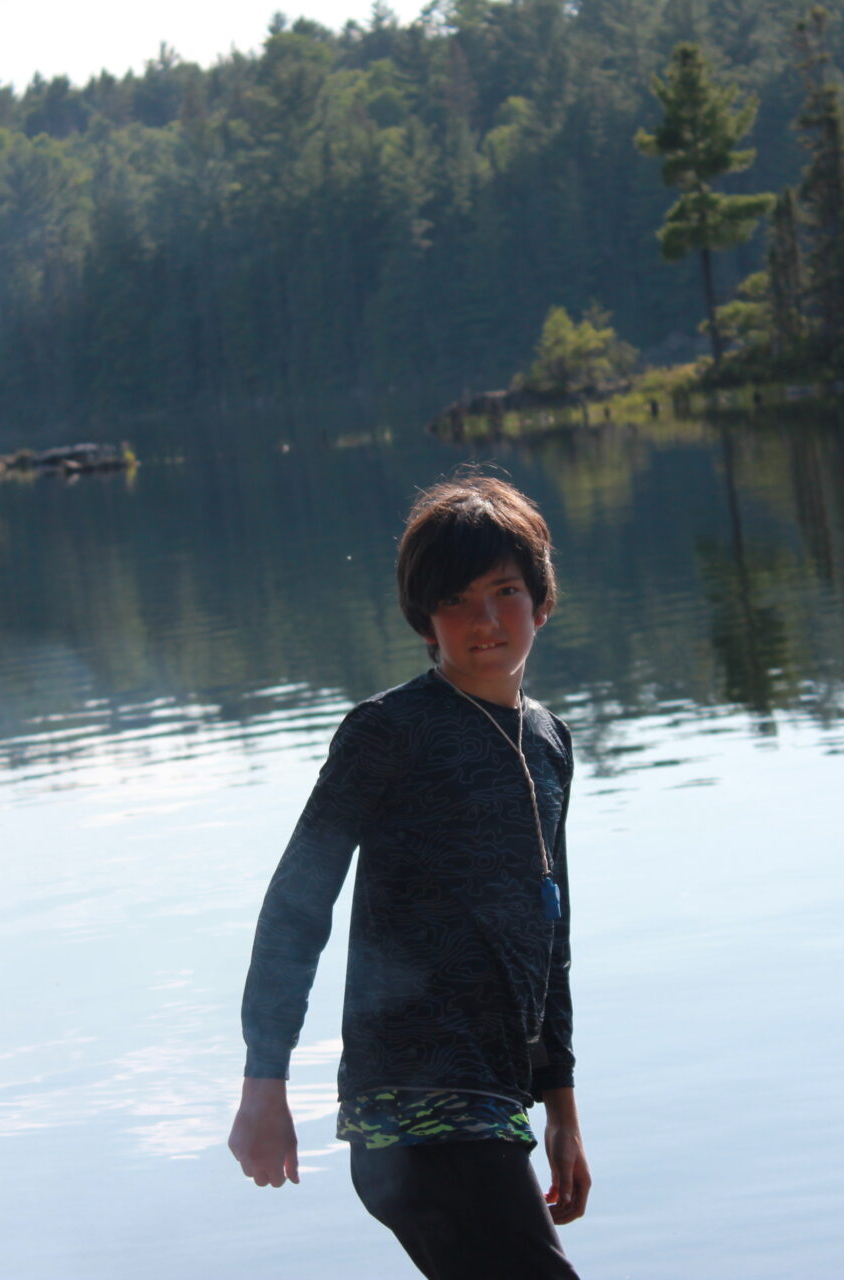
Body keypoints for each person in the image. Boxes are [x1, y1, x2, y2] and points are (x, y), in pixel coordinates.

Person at [229, 474, 589, 1279]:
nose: (487, 620)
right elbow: (298, 901)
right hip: (411, 1113)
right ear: (425, 620)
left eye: (505, 591)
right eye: (459, 601)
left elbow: (549, 935)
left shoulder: (549, 742)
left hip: (495, 1108)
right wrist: (264, 1080)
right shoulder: (389, 733)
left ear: (541, 599)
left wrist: (561, 1111)